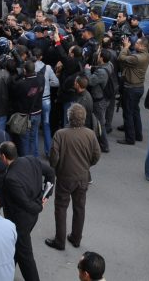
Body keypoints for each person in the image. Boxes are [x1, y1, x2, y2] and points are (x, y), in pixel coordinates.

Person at [46, 104, 101, 250]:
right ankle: (76, 238)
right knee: (79, 208)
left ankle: (60, 241)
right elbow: (97, 155)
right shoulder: (90, 134)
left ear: (69, 117)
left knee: (61, 208)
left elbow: (54, 157)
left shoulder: (60, 134)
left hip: (65, 177)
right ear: (84, 118)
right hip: (83, 177)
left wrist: (56, 168)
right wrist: (87, 165)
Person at [0, 141, 55, 281]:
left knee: (25, 255)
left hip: (20, 222)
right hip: (31, 218)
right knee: (14, 248)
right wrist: (45, 195)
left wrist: (40, 205)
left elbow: (25, 203)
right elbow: (50, 172)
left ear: (3, 157)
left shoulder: (10, 178)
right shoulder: (31, 160)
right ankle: (5, 275)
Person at [117, 36, 149, 144]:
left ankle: (130, 138)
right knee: (135, 111)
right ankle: (138, 135)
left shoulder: (136, 58)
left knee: (128, 113)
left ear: (142, 46)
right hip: (138, 87)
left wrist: (125, 47)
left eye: (136, 43)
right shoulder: (146, 55)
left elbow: (121, 58)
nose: (134, 44)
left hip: (131, 88)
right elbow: (130, 56)